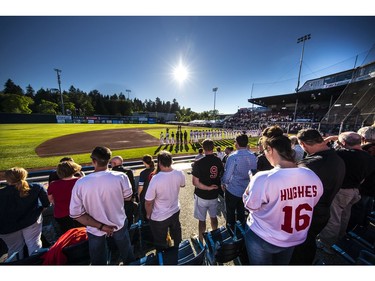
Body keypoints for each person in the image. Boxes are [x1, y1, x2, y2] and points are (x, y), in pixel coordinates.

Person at [242, 126, 323, 265]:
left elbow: (250, 206)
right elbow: (311, 202)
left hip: (263, 237)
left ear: (270, 150)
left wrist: (251, 185)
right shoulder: (311, 174)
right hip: (293, 238)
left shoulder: (263, 178)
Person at [69, 146, 135, 265]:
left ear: (93, 161)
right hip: (118, 223)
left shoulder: (81, 183)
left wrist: (101, 226)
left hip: (95, 229)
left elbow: (76, 214)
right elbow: (128, 197)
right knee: (127, 253)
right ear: (109, 161)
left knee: (98, 262)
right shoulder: (121, 176)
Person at [289, 128, 346, 265]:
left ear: (302, 144)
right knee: (309, 243)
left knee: (300, 249)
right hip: (325, 211)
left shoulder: (309, 164)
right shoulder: (338, 159)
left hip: (307, 214)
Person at [317, 131, 375, 252]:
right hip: (355, 190)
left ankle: (328, 244)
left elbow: (319, 151)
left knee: (333, 218)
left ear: (343, 142)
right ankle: (340, 239)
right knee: (344, 216)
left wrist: (327, 140)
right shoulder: (368, 156)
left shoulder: (341, 154)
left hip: (341, 190)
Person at [0, 167, 50, 260]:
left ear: (7, 179)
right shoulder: (36, 187)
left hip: (7, 228)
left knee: (15, 250)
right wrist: (36, 212)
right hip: (31, 222)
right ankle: (37, 264)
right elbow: (46, 204)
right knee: (34, 245)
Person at [145, 150, 186, 251]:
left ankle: (164, 258)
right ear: (171, 161)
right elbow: (183, 184)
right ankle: (178, 252)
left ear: (159, 163)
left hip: (160, 216)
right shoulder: (179, 173)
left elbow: (148, 201)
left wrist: (148, 214)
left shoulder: (155, 178)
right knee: (177, 235)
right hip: (175, 210)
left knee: (160, 243)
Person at [221, 133, 257, 229]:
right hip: (246, 189)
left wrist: (223, 183)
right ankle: (241, 233)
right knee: (242, 214)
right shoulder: (253, 156)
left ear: (236, 143)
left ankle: (231, 233)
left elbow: (227, 175)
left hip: (233, 189)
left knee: (230, 214)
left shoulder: (233, 157)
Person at [192, 139, 224, 242]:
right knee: (213, 217)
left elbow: (195, 182)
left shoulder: (198, 162)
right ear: (213, 147)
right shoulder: (218, 160)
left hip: (202, 195)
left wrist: (208, 187)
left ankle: (201, 241)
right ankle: (215, 237)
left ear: (203, 148)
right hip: (214, 195)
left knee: (202, 220)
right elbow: (221, 175)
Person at [347, 126, 375, 229]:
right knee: (367, 207)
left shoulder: (364, 150)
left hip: (363, 186)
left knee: (358, 209)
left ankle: (354, 229)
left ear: (363, 138)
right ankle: (363, 227)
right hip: (370, 187)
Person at [47, 161, 84, 235]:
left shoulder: (53, 184)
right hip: (80, 214)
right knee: (83, 234)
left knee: (68, 236)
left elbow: (51, 200)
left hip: (61, 215)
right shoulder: (81, 181)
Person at [110, 155, 138, 228]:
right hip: (128, 201)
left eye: (111, 163)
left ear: (114, 163)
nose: (110, 164)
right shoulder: (129, 171)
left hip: (116, 203)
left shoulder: (110, 173)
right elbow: (133, 186)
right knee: (129, 220)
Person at [138, 154, 155, 221]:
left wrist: (139, 195)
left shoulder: (143, 173)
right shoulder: (157, 171)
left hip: (146, 195)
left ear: (144, 162)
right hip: (155, 194)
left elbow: (140, 187)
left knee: (146, 213)